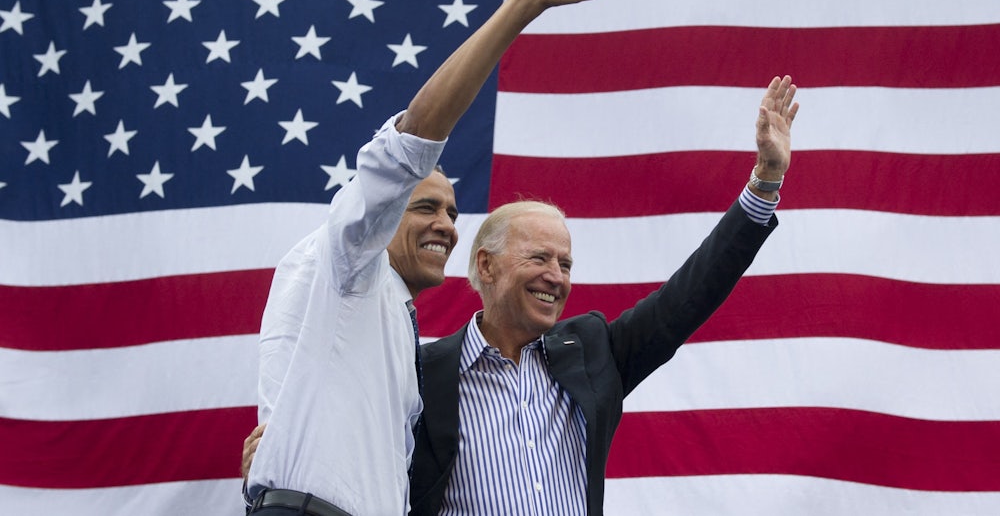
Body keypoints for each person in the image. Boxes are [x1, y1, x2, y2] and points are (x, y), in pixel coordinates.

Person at [244, 76, 799, 515]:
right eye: (539, 258)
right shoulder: (422, 377)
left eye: (565, 263)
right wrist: (279, 461)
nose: (556, 276)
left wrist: (764, 185)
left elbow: (687, 299)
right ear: (485, 265)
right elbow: (358, 446)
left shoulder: (593, 353)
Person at [244, 0, 607, 516]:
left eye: (452, 212)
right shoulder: (349, 258)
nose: (446, 225)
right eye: (425, 208)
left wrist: (277, 451)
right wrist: (521, 8)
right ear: (384, 214)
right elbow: (407, 146)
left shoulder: (385, 319)